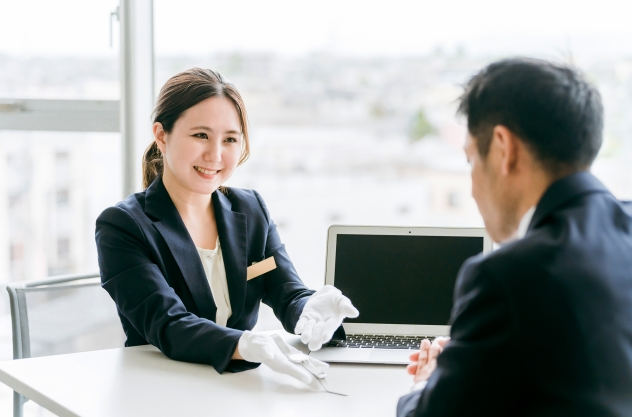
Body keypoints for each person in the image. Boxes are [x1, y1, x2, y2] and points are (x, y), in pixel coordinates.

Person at [95, 68, 358, 388]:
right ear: (162, 136)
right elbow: (168, 324)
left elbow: (285, 290)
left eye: (230, 139)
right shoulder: (123, 226)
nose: (215, 155)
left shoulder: (250, 209)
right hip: (160, 389)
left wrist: (308, 310)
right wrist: (243, 345)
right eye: (200, 135)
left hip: (239, 389)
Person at [397, 58, 632, 416]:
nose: (473, 188)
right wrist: (472, 356)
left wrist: (428, 382)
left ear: (504, 148)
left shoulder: (505, 276)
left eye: (471, 161)